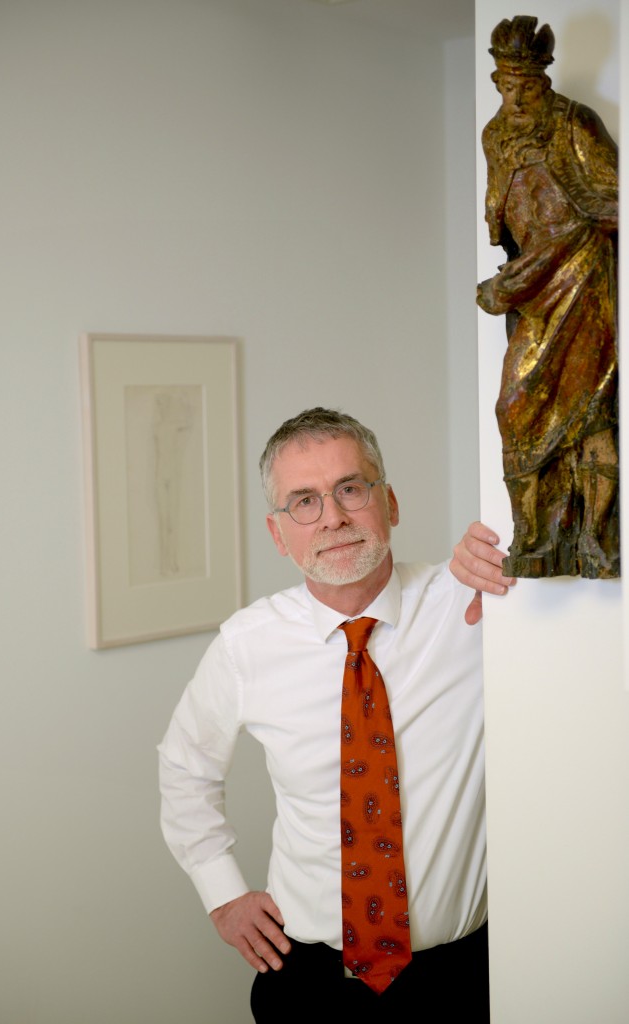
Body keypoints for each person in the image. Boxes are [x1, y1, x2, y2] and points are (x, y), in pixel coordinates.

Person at [158, 408, 512, 1022]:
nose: (333, 517)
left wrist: (515, 561)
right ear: (278, 534)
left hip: (462, 978)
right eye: (304, 501)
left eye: (351, 488)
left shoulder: (475, 607)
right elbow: (184, 770)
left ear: (390, 503)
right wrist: (224, 896)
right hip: (308, 982)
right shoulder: (247, 645)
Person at [477, 15, 619, 580]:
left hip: (583, 280)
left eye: (525, 87)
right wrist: (513, 279)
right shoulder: (495, 133)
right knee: (515, 410)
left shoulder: (573, 124)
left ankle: (595, 539)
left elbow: (607, 202)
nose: (513, 98)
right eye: (503, 85)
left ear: (544, 79)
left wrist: (530, 271)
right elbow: (507, 219)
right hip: (530, 290)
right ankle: (535, 538)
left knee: (590, 415)